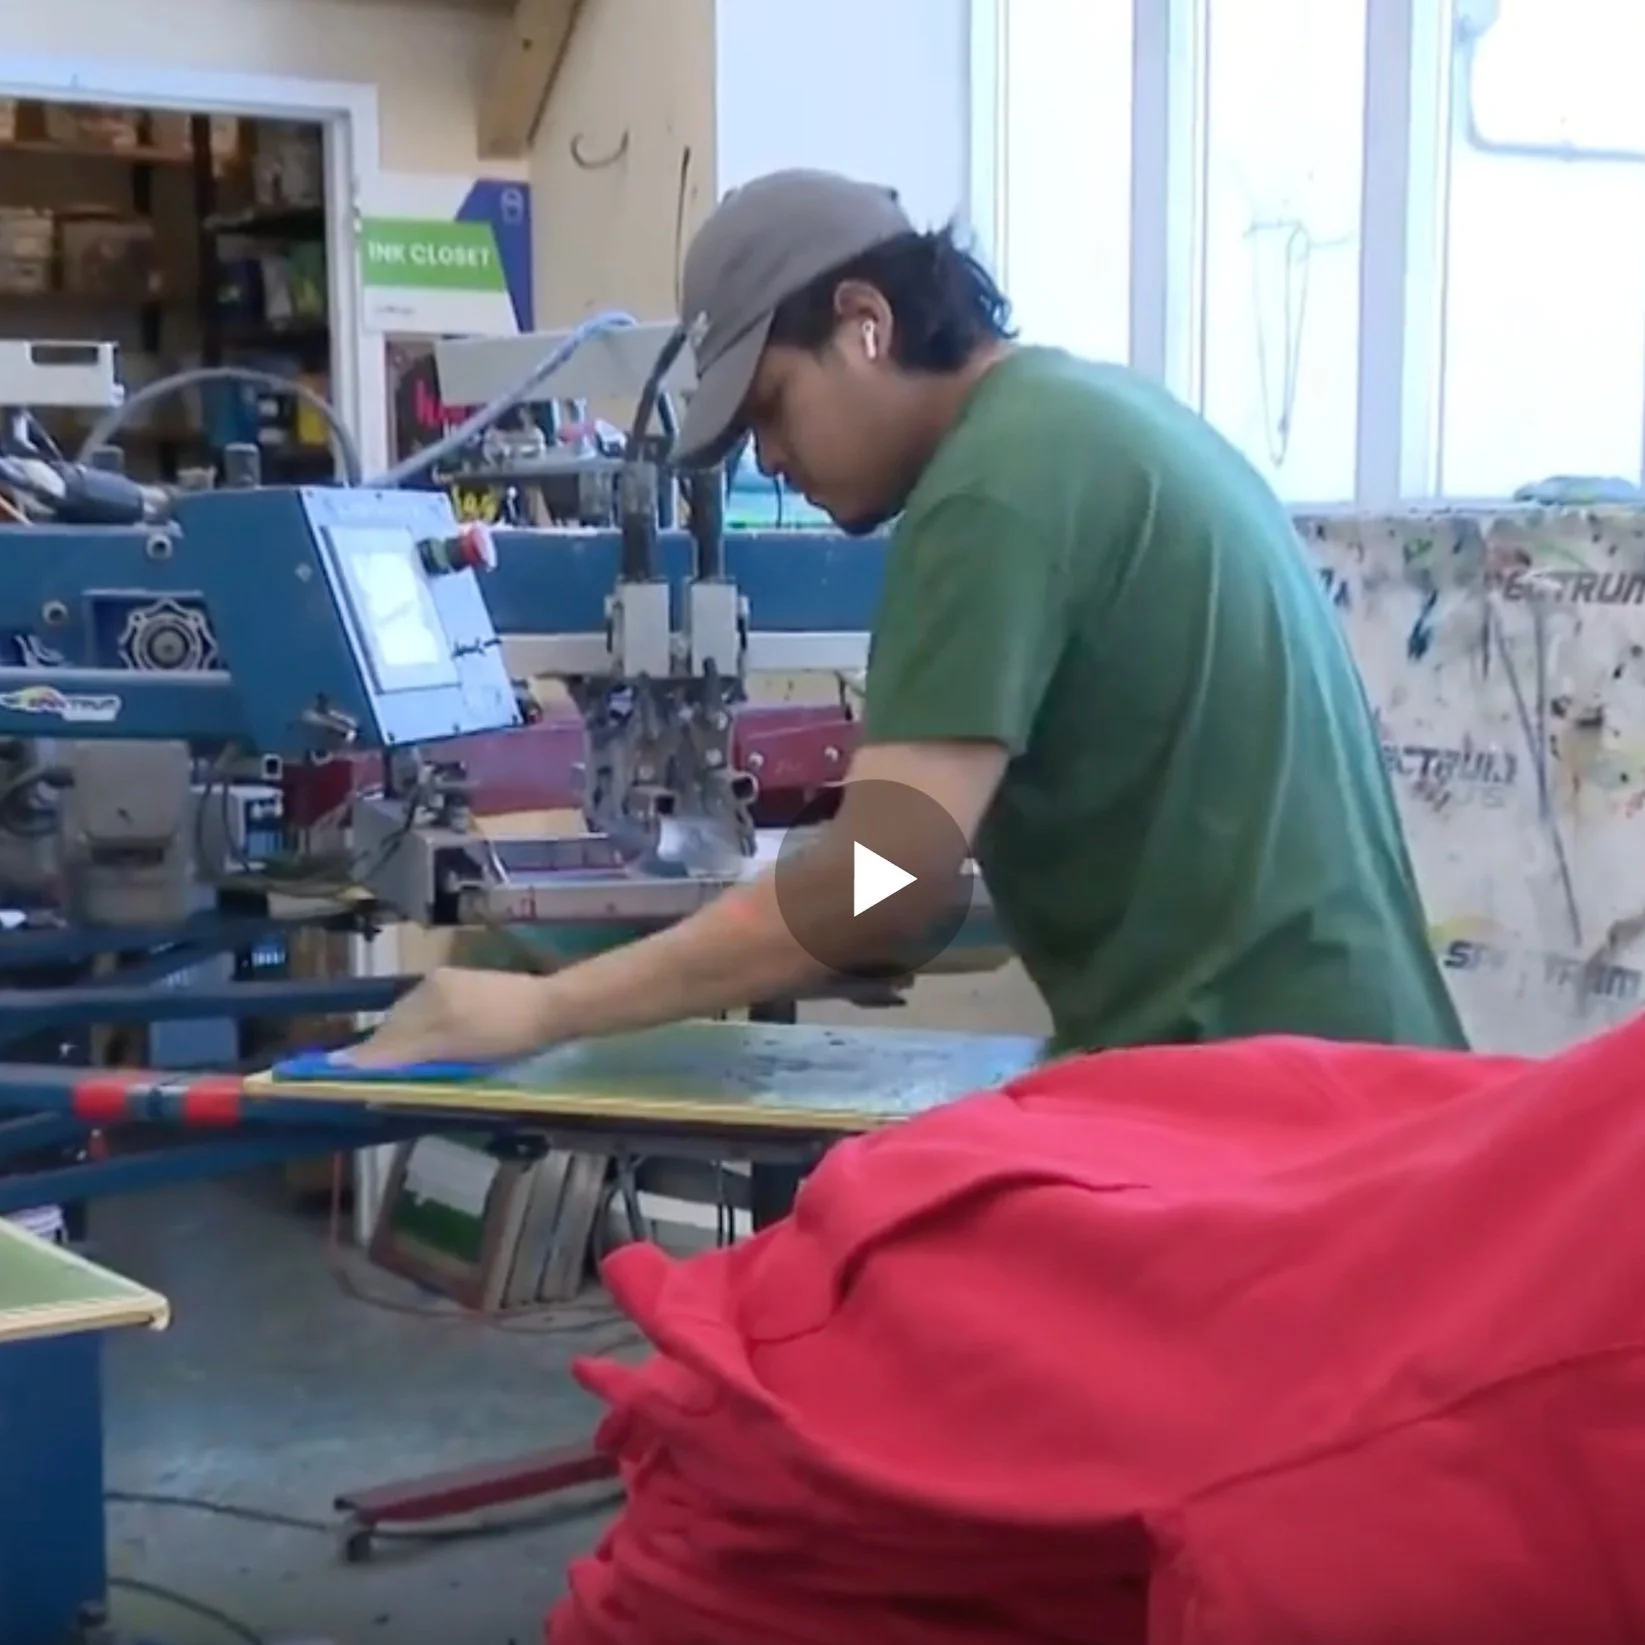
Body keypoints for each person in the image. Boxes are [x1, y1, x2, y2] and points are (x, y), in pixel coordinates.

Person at [349, 167, 1466, 1070]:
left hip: (1270, 1101)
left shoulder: (989, 489)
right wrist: (849, 879)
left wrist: (540, 1008)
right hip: (1351, 1063)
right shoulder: (1089, 418)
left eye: (773, 407)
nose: (771, 458)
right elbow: (905, 871)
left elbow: (884, 885)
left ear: (865, 323)